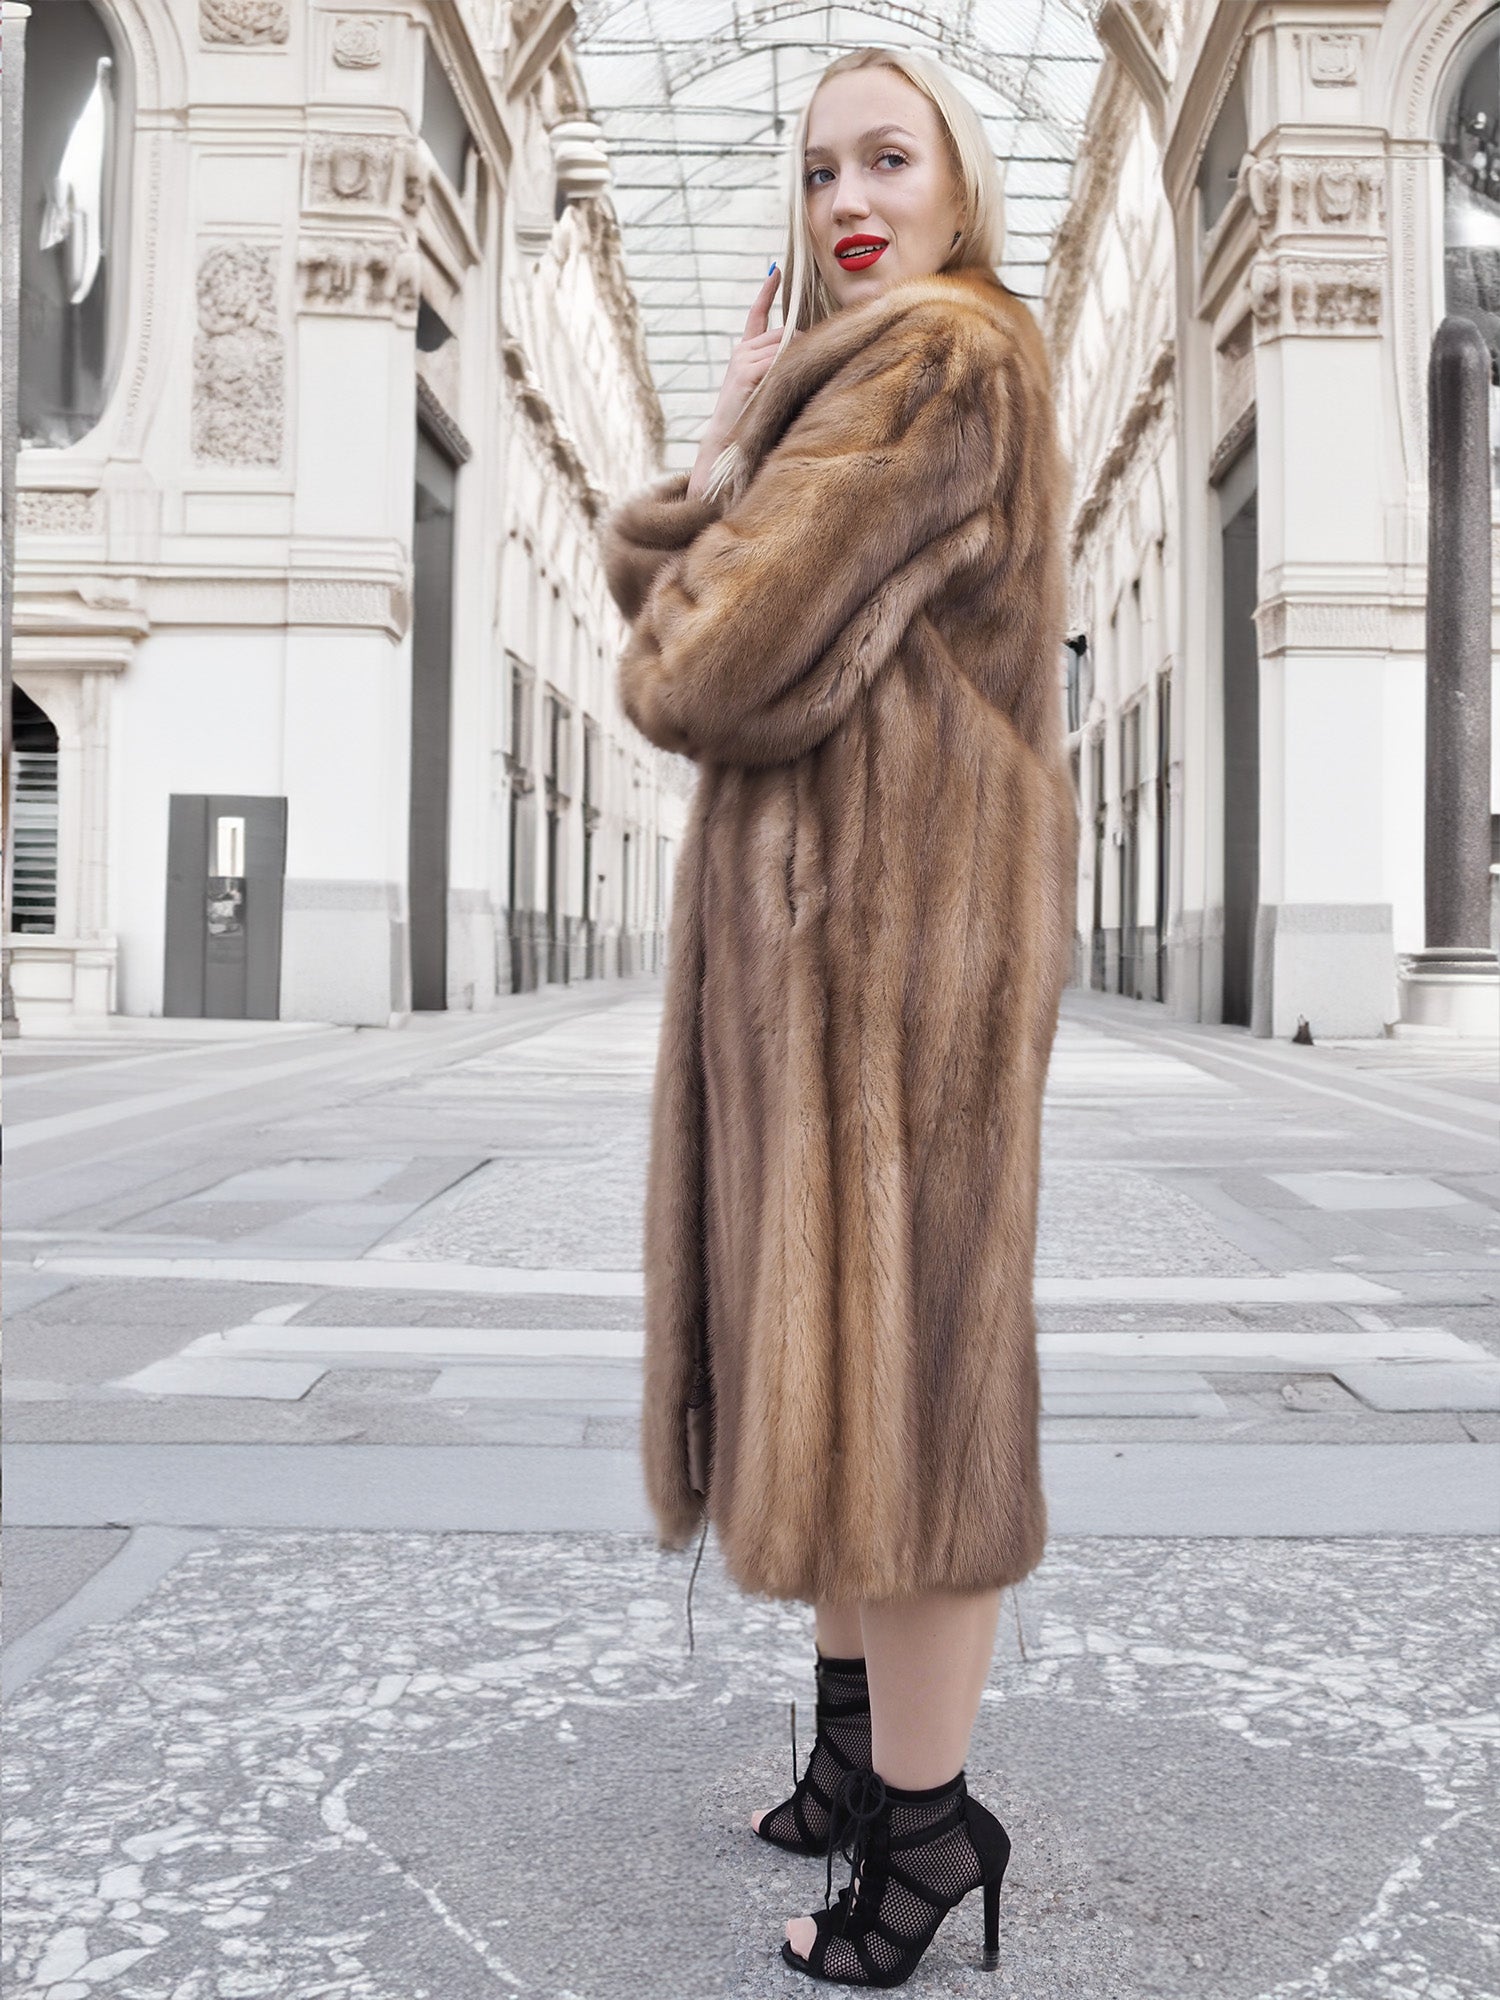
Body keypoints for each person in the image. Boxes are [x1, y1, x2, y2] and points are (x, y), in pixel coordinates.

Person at [602, 43, 1079, 1989]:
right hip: (851, 947)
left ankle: (932, 1830)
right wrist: (739, 458)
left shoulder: (933, 361)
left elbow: (702, 667)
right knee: (843, 1366)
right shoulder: (864, 371)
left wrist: (716, 463)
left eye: (890, 157)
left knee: (918, 1407)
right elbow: (751, 635)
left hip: (898, 955)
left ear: (962, 180)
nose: (849, 201)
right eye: (818, 171)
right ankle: (855, 1752)